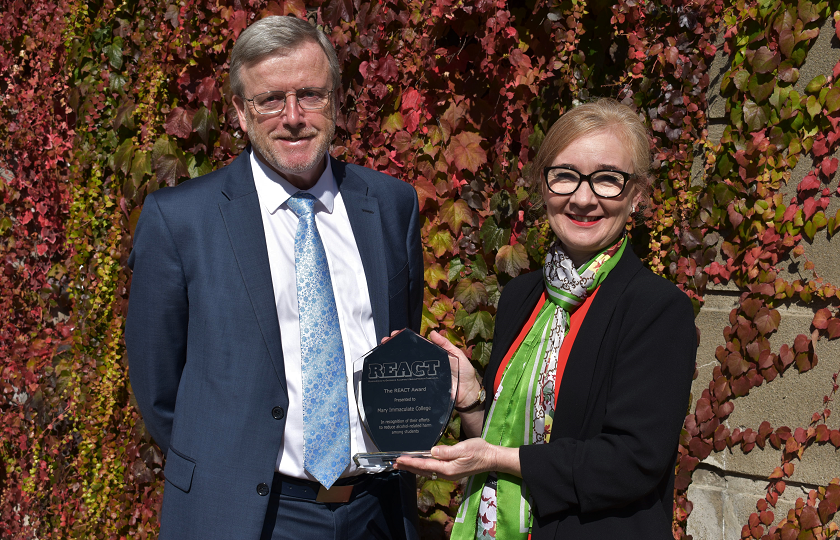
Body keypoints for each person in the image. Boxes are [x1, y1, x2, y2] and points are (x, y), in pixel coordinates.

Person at [125, 15, 422, 540]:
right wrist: (226, 466)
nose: (292, 117)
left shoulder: (391, 205)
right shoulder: (182, 221)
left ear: (335, 102)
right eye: (270, 99)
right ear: (240, 111)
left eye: (310, 95)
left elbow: (399, 343)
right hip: (250, 515)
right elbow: (159, 389)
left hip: (376, 510)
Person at [396, 98, 697, 539]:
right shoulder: (521, 297)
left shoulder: (656, 309)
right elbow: (501, 440)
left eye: (608, 180)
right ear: (543, 187)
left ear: (637, 195)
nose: (582, 197)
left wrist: (496, 461)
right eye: (565, 176)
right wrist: (473, 400)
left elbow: (632, 462)